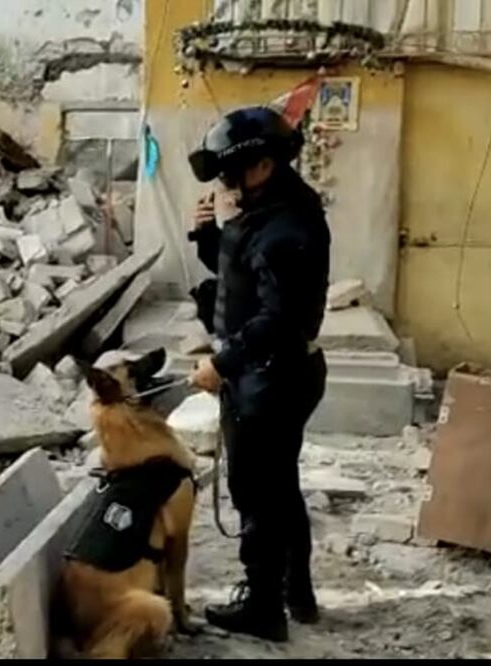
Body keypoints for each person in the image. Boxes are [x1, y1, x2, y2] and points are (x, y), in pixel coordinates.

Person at [185, 106, 331, 642]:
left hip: (271, 374)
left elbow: (278, 319)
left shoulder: (287, 227)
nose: (226, 184)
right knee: (279, 487)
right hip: (269, 370)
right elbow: (240, 280)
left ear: (264, 165)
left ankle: (265, 605)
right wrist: (205, 238)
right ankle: (297, 593)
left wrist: (220, 364)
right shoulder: (270, 211)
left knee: (258, 493)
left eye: (232, 172)